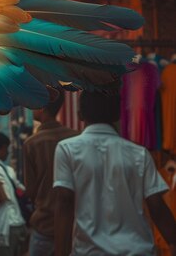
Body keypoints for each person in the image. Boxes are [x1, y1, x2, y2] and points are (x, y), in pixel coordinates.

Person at [53, 91, 176, 256]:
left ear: (80, 115)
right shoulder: (139, 153)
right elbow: (157, 206)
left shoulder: (66, 149)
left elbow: (64, 202)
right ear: (118, 114)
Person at [22, 94, 77, 256]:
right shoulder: (76, 137)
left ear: (42, 107)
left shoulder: (31, 144)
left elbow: (30, 191)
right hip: (73, 226)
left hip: (44, 225)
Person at [0, 132, 26, 256]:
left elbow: (2, 197)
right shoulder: (7, 169)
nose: (8, 152)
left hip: (4, 226)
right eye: (5, 148)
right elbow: (22, 190)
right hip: (18, 222)